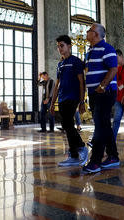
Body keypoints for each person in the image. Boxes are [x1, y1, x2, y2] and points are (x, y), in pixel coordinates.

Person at [82, 23, 119, 173]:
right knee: (104, 125)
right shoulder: (90, 51)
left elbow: (113, 68)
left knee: (100, 126)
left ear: (96, 34)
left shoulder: (107, 48)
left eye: (89, 30)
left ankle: (95, 162)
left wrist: (102, 86)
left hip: (105, 92)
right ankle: (113, 157)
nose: (87, 31)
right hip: (94, 93)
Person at [50, 35, 89, 167]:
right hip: (61, 98)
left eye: (62, 45)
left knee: (67, 124)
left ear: (69, 46)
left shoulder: (76, 61)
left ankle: (82, 147)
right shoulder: (60, 64)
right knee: (67, 126)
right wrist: (52, 103)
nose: (59, 49)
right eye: (58, 46)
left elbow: (81, 82)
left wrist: (82, 101)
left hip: (73, 97)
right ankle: (73, 155)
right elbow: (57, 85)